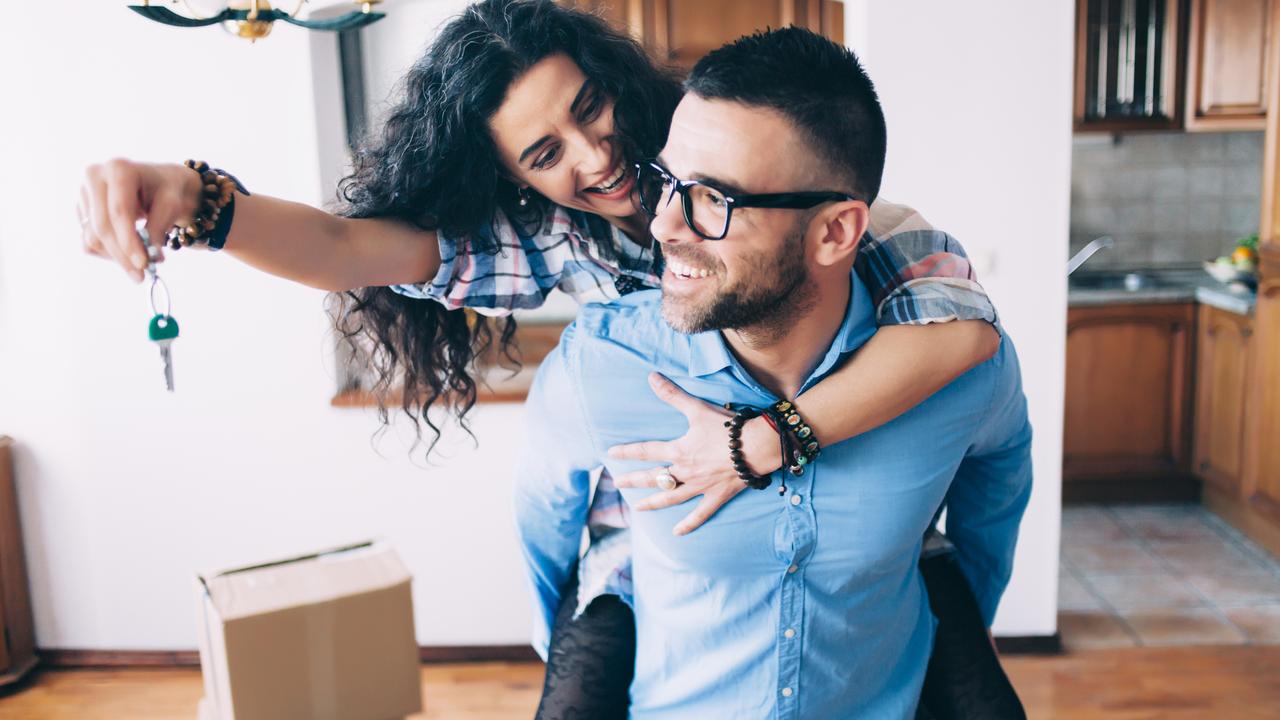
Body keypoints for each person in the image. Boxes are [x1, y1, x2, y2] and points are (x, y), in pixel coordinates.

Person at [76, 0, 1003, 713]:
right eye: (545, 152)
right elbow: (343, 247)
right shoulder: (555, 243)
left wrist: (767, 441)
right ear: (514, 180)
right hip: (643, 539)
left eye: (593, 110)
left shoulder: (839, 221)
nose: (597, 154)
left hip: (844, 518)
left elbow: (965, 335)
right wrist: (199, 203)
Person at [516, 25, 1033, 719]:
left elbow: (1000, 472)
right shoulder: (600, 370)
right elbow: (545, 528)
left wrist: (967, 616)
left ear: (835, 232)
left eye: (713, 200)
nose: (664, 225)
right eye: (667, 182)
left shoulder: (959, 373)